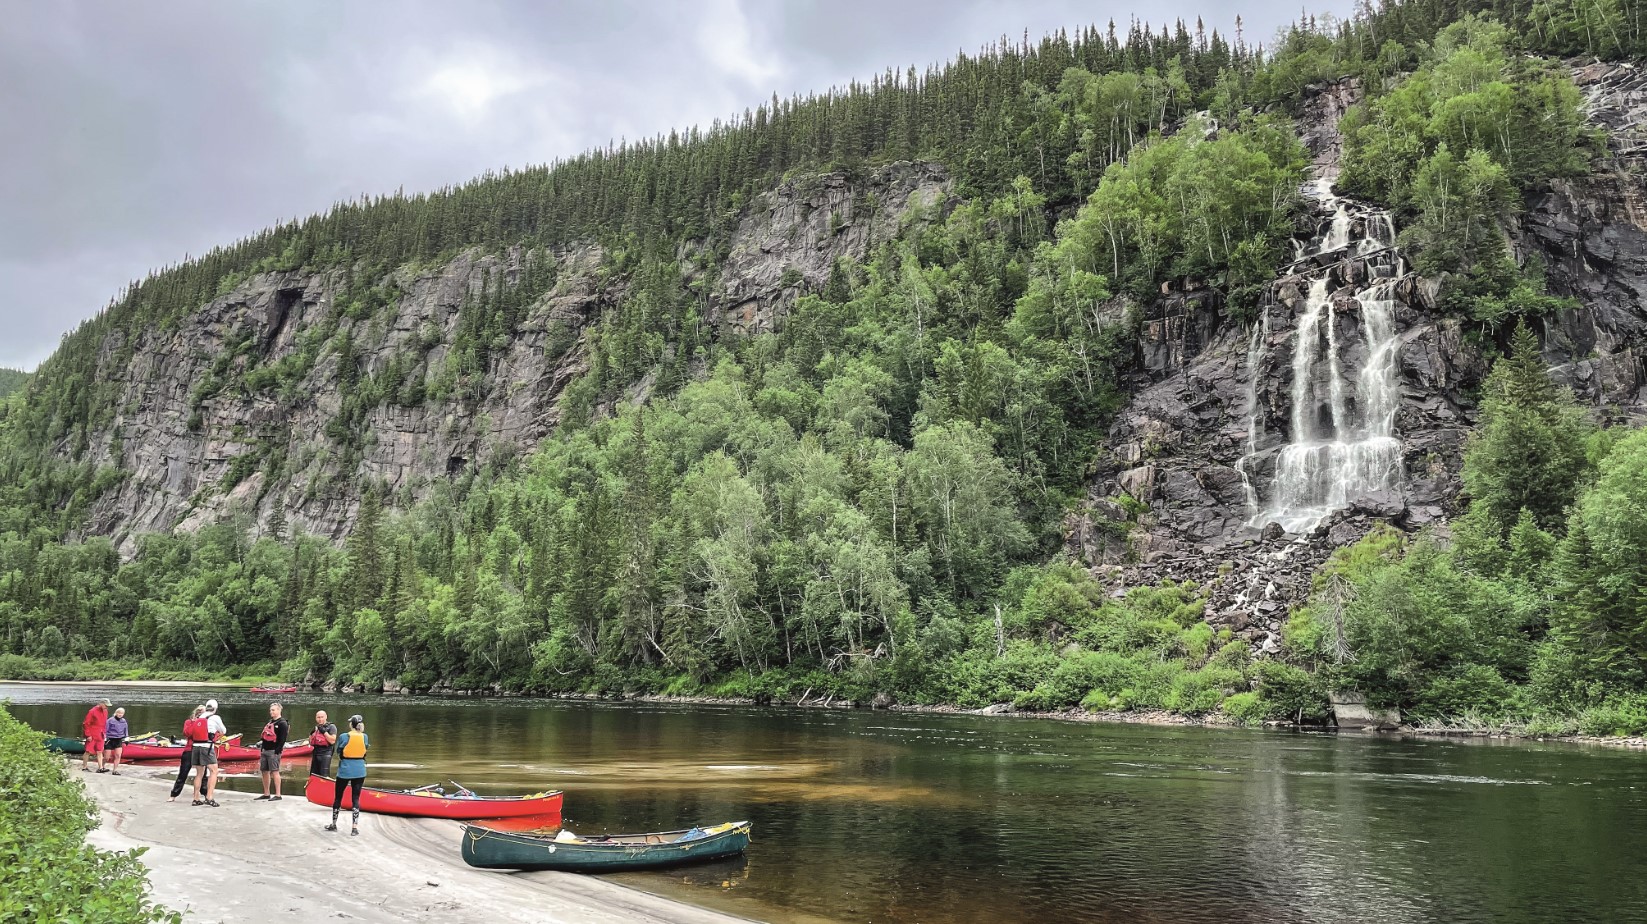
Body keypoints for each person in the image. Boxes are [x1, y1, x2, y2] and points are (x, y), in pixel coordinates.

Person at [327, 714, 368, 836]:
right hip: (360, 769)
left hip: (345, 769)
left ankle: (334, 824)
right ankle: (354, 828)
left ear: (351, 724)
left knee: (338, 797)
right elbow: (365, 749)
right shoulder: (365, 737)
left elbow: (339, 751)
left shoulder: (344, 736)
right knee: (355, 798)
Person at [191, 698, 227, 807]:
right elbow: (223, 731)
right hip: (206, 747)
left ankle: (196, 798)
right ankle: (209, 797)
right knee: (214, 771)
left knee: (199, 774)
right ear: (215, 709)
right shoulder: (215, 717)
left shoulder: (199, 717)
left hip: (195, 747)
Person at [170, 705, 206, 802]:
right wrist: (195, 723)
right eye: (201, 712)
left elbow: (212, 734)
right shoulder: (189, 722)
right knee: (183, 772)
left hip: (202, 749)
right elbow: (187, 733)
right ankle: (174, 794)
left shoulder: (206, 723)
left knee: (203, 773)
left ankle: (205, 793)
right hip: (190, 749)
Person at [256, 702, 289, 801]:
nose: (271, 712)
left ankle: (278, 794)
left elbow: (283, 739)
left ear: (279, 710)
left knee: (275, 771)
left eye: (273, 710)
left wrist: (277, 750)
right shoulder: (270, 722)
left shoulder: (283, 723)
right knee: (264, 771)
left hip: (273, 751)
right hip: (265, 750)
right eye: (271, 710)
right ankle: (266, 793)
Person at [80, 699, 109, 773]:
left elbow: (105, 723)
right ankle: (84, 767)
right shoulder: (92, 711)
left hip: (101, 734)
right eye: (105, 705)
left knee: (100, 751)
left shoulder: (105, 711)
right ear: (101, 704)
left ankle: (100, 767)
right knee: (88, 751)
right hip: (92, 734)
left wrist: (104, 732)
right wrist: (88, 735)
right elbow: (86, 724)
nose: (106, 707)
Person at [308, 710, 338, 778]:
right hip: (316, 752)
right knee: (313, 775)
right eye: (318, 717)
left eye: (322, 717)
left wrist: (324, 732)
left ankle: (326, 787)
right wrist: (311, 735)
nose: (320, 719)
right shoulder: (316, 728)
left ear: (326, 717)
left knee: (324, 775)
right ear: (316, 718)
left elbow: (332, 741)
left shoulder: (331, 727)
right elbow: (310, 742)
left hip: (325, 753)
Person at [102, 707, 129, 775]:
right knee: (107, 757)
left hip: (118, 739)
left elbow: (126, 730)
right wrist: (105, 738)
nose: (120, 714)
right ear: (116, 713)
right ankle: (102, 766)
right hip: (110, 739)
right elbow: (105, 729)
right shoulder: (110, 720)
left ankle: (115, 770)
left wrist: (126, 739)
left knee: (118, 755)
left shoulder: (124, 721)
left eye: (122, 713)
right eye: (119, 713)